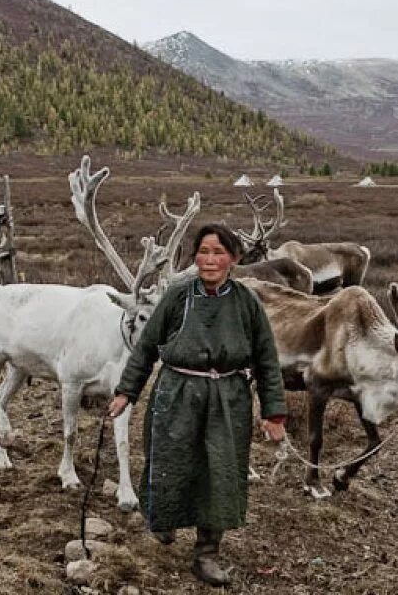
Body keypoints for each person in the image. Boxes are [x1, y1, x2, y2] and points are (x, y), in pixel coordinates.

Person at [107, 223, 287, 587]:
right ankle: (164, 519)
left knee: (220, 472)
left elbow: (267, 360)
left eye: (218, 252)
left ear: (234, 259)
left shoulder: (246, 303)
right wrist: (127, 392)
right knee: (171, 459)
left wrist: (274, 414)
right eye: (203, 252)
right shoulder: (177, 296)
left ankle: (207, 553)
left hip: (227, 398)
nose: (209, 260)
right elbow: (146, 348)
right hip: (177, 392)